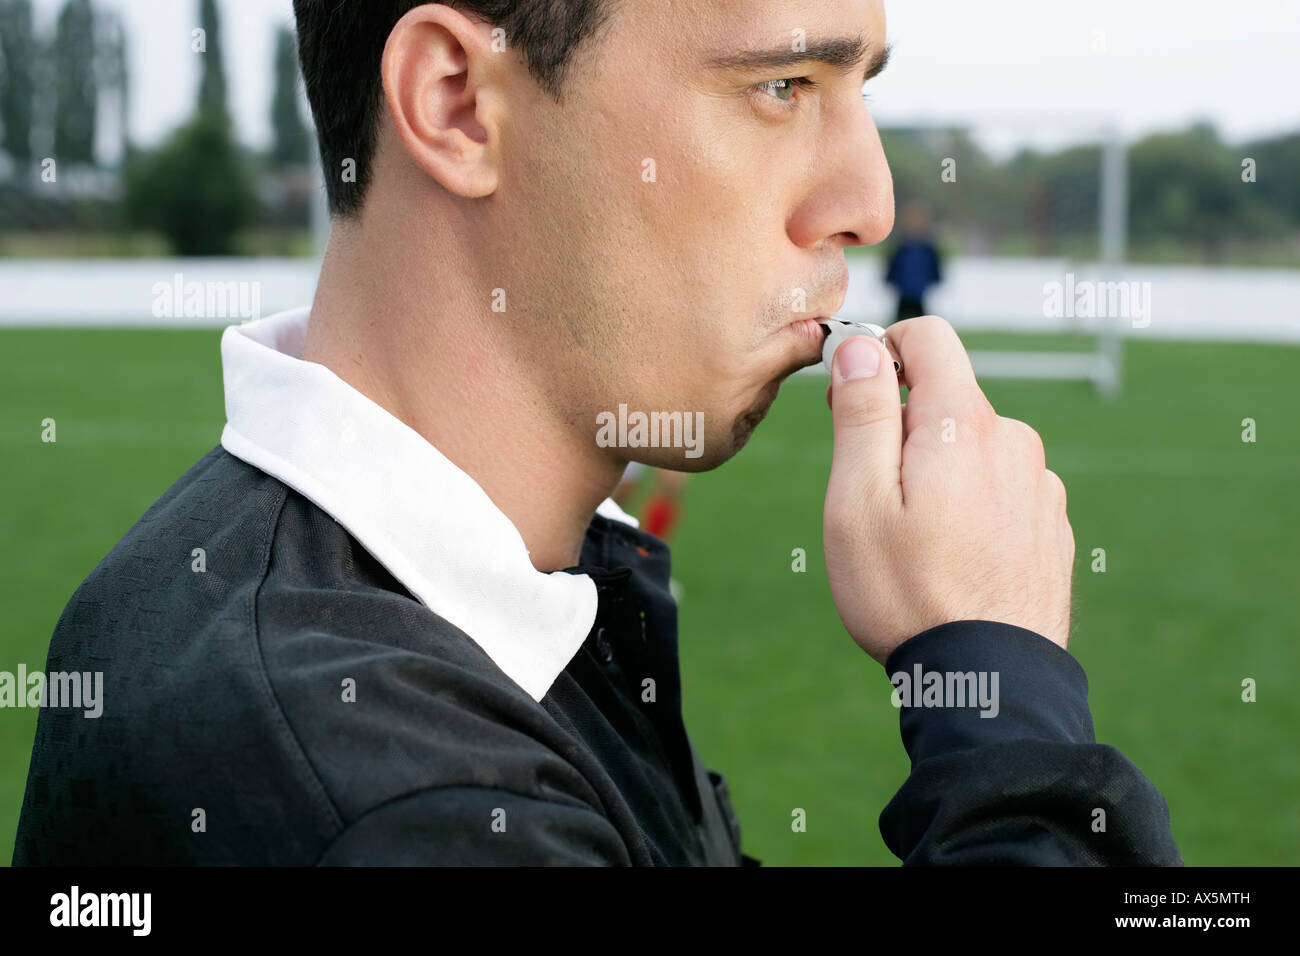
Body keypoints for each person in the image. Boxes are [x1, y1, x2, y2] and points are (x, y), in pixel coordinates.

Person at [13, 0, 1180, 866]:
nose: (869, 200)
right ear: (459, 105)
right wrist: (1001, 692)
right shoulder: (390, 797)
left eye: (859, 85)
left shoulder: (434, 588)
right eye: (782, 85)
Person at [884, 201, 943, 323]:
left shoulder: (928, 246)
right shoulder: (901, 245)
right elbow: (892, 264)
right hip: (903, 290)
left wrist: (935, 279)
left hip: (920, 291)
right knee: (897, 324)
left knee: (922, 323)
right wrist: (890, 279)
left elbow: (934, 266)